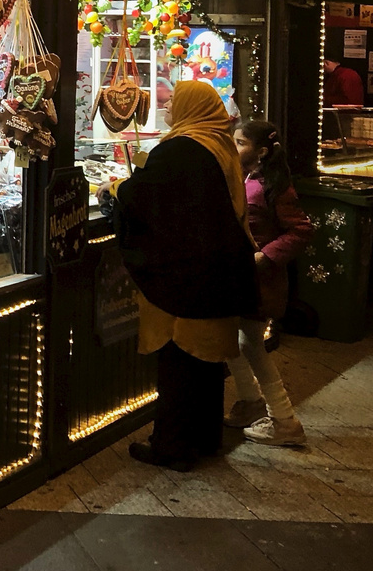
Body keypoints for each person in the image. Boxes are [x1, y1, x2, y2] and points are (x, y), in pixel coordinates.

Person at [105, 80, 257, 471]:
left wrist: (119, 188)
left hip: (187, 278)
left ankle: (172, 447)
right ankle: (205, 438)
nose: (168, 105)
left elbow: (149, 201)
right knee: (206, 363)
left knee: (180, 362)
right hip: (217, 273)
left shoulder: (182, 149)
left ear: (191, 107)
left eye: (175, 100)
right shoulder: (217, 142)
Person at [224, 120, 313, 445]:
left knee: (248, 343)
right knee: (233, 339)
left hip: (262, 279)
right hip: (245, 277)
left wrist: (264, 256)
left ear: (260, 151)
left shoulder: (274, 186)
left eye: (239, 142)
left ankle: (284, 420)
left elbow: (301, 231)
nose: (234, 148)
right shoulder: (247, 178)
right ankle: (251, 403)